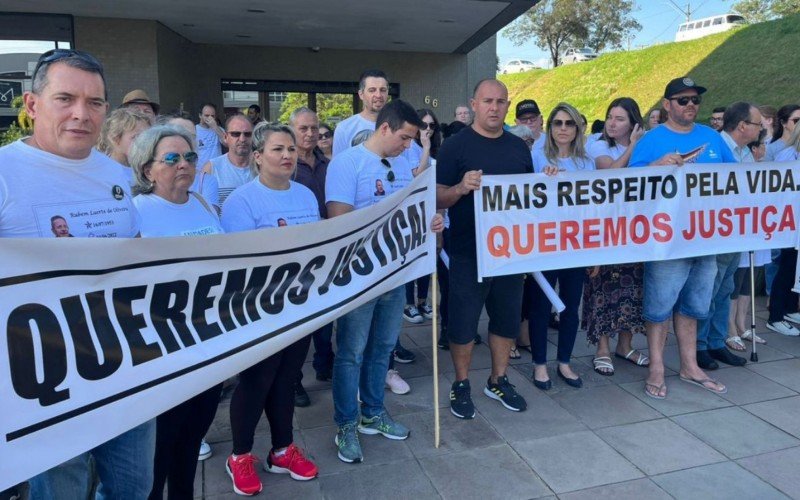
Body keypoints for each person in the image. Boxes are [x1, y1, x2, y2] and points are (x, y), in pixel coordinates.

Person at [3, 48, 149, 500]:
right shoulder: (5, 174)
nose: (81, 114)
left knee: (133, 488)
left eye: (95, 103)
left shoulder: (116, 176)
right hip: (44, 383)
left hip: (123, 366)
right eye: (65, 98)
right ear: (32, 104)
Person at [327, 99, 442, 463]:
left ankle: (373, 412)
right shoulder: (347, 163)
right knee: (351, 352)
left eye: (412, 140)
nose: (409, 146)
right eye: (405, 138)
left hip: (395, 274)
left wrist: (430, 220)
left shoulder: (405, 161)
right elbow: (339, 223)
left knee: (383, 348)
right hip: (358, 278)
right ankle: (346, 422)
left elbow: (415, 210)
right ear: (385, 128)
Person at [220, 122, 320, 495]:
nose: (287, 156)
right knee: (257, 380)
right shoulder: (242, 201)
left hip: (300, 308)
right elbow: (239, 263)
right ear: (258, 157)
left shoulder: (306, 196)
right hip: (258, 311)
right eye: (277, 149)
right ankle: (240, 456)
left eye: (291, 149)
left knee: (286, 379)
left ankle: (282, 450)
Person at [127, 125, 224, 499]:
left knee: (192, 440)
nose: (183, 164)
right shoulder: (136, 211)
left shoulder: (201, 202)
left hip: (208, 341)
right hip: (163, 349)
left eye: (190, 157)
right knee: (161, 447)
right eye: (171, 158)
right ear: (147, 168)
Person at [629, 76, 736, 399]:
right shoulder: (650, 140)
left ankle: (689, 365)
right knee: (659, 307)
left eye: (695, 100)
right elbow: (626, 187)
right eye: (683, 100)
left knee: (694, 304)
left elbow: (738, 181)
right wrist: (656, 167)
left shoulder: (713, 138)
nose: (691, 105)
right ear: (667, 105)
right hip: (665, 240)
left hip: (705, 238)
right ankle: (657, 367)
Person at [436, 78, 532, 418]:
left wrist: (549, 180)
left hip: (510, 254)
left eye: (501, 101)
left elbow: (532, 197)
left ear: (508, 106)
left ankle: (498, 379)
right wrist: (461, 187)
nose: (494, 107)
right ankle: (461, 383)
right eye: (487, 101)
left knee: (506, 321)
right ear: (474, 104)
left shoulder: (519, 148)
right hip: (468, 251)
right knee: (462, 325)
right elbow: (437, 196)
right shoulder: (454, 146)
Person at [528, 102, 594, 389]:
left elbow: (593, 207)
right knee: (541, 306)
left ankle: (564, 362)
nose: (564, 128)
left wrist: (595, 251)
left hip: (576, 244)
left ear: (577, 128)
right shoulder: (536, 156)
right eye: (558, 123)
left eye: (569, 123)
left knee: (570, 305)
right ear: (550, 127)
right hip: (544, 243)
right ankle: (540, 365)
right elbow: (524, 197)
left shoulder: (586, 163)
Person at [695, 102, 762, 370]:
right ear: (743, 125)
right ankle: (699, 346)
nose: (761, 128)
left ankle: (716, 341)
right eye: (757, 123)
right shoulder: (714, 148)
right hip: (715, 232)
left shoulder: (745, 152)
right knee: (708, 291)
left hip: (737, 232)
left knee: (725, 289)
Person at [583, 97, 648, 376]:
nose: (612, 122)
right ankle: (602, 349)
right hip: (605, 228)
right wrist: (633, 146)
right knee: (603, 289)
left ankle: (625, 345)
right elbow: (610, 173)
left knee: (633, 288)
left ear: (633, 123)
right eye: (610, 116)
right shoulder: (597, 145)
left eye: (620, 118)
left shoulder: (645, 146)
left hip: (634, 229)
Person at [288, 107, 334, 406]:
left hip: (327, 248)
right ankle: (294, 380)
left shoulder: (328, 164)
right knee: (297, 316)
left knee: (325, 310)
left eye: (314, 128)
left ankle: (324, 361)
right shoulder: (286, 164)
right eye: (303, 128)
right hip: (296, 252)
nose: (310, 134)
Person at [402, 109, 441, 325]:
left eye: (431, 126)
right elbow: (417, 176)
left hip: (431, 209)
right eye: (423, 125)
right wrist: (425, 148)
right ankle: (409, 304)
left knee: (427, 259)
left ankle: (423, 300)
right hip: (413, 212)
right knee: (412, 259)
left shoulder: (436, 149)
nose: (427, 130)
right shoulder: (410, 148)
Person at [765, 123, 800, 336]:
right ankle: (775, 316)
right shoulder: (787, 156)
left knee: (795, 266)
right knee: (787, 266)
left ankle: (788, 307)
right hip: (790, 221)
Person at [158, 111, 221, 214]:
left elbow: (211, 220)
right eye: (179, 135)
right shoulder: (151, 178)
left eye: (192, 136)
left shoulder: (206, 181)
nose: (187, 141)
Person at [202, 113, 255, 206]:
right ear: (225, 137)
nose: (242, 139)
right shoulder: (211, 168)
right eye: (236, 134)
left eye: (247, 134)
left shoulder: (264, 167)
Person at [332, 69, 389, 155]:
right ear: (361, 94)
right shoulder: (344, 128)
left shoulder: (398, 126)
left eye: (383, 90)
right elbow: (338, 166)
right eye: (372, 90)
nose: (378, 95)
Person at [97, 107, 152, 184]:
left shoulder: (150, 168)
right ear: (115, 139)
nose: (145, 142)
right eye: (136, 137)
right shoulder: (102, 172)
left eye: (147, 137)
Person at [196, 102, 225, 167]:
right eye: (207, 115)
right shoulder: (193, 130)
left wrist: (215, 127)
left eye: (212, 116)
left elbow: (227, 143)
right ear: (200, 115)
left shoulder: (219, 129)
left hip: (217, 170)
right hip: (200, 170)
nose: (210, 118)